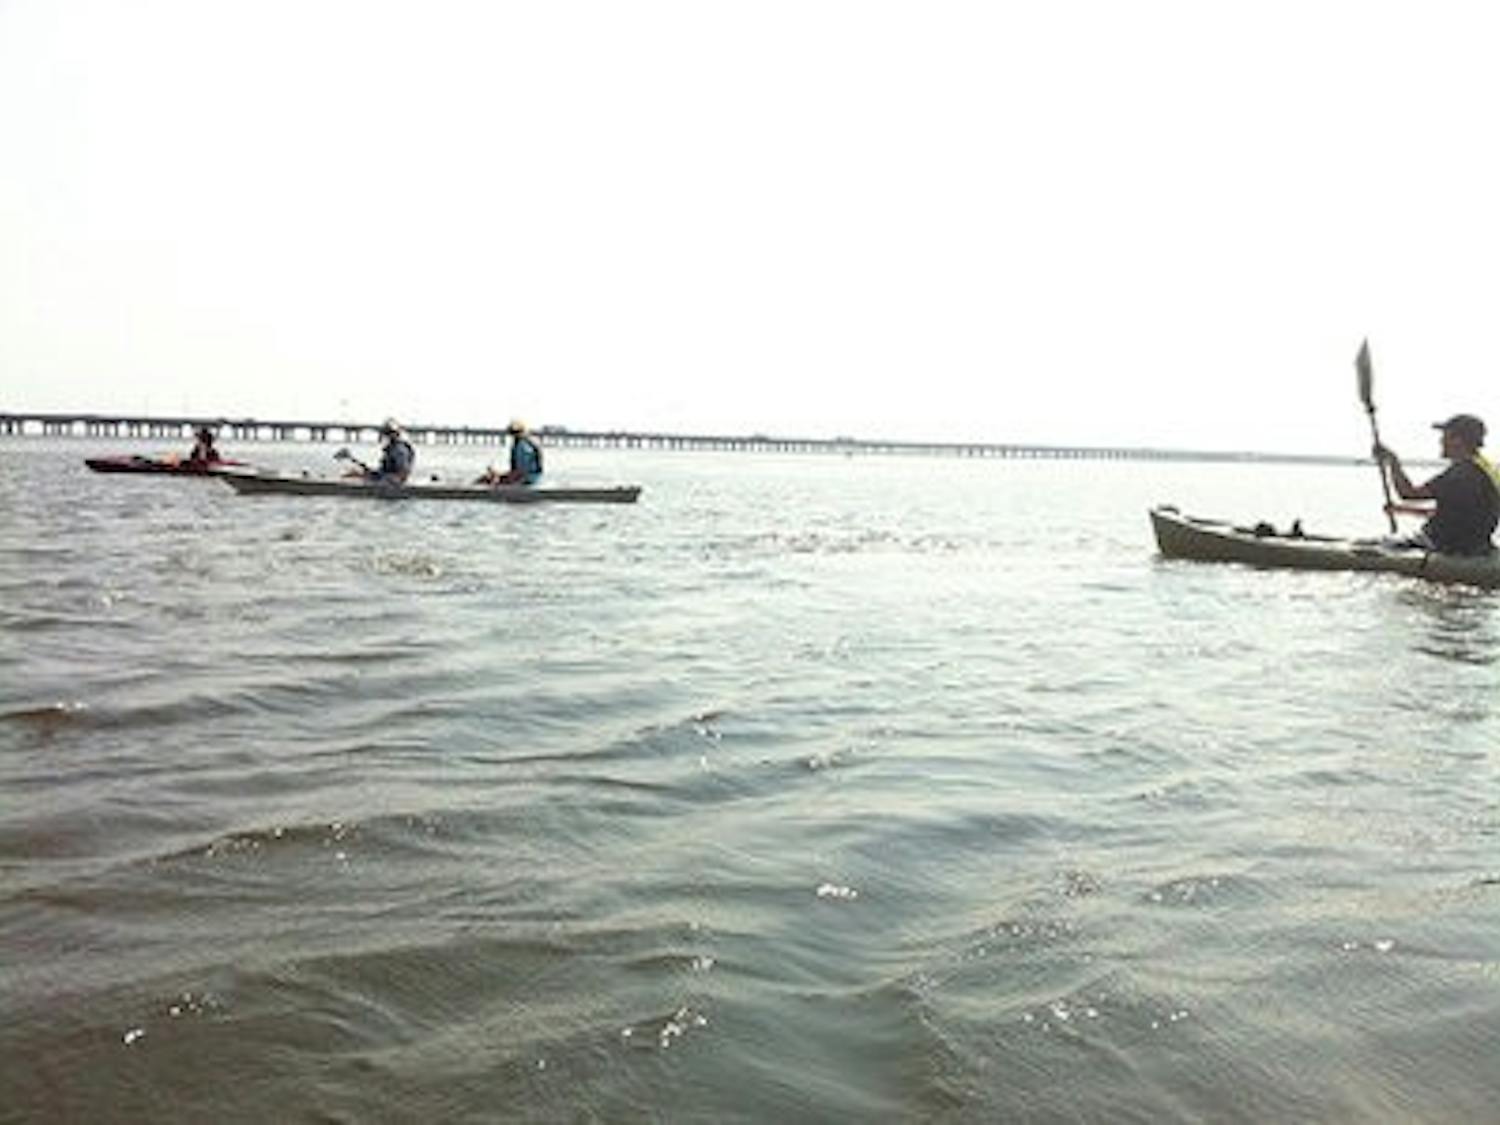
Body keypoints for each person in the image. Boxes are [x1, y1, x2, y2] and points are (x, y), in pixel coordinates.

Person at [1373, 413, 1500, 555]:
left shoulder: (1459, 474)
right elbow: (1455, 515)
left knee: (1377, 548)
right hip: (1479, 545)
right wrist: (1402, 510)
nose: (1441, 441)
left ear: (1457, 440)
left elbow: (1407, 493)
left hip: (1447, 546)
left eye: (1445, 436)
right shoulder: (1486, 469)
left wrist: (1393, 461)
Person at [476, 419, 543, 485]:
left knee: (486, 479)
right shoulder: (527, 443)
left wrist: (499, 477)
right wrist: (500, 475)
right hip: (532, 478)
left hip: (527, 480)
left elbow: (520, 472)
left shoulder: (522, 447)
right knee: (490, 478)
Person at [361, 418, 415, 483]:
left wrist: (380, 479)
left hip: (391, 484)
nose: (384, 438)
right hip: (386, 479)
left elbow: (402, 473)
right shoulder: (391, 449)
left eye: (387, 434)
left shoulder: (399, 450)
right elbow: (384, 470)